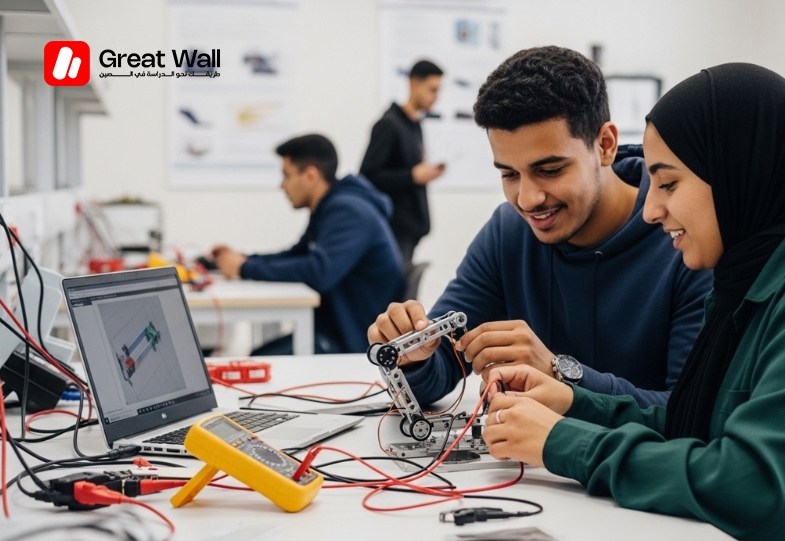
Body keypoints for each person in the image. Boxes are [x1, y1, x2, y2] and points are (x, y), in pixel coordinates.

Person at [482, 63, 785, 540]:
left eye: (669, 184)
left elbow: (757, 490)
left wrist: (562, 442)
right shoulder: (756, 277)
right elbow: (700, 422)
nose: (651, 210)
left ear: (739, 174)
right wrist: (573, 403)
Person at [367, 46, 712, 408]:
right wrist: (412, 357)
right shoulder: (508, 232)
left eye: (550, 170)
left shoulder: (685, 238)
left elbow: (689, 412)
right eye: (509, 174)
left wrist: (558, 373)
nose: (528, 199)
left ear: (605, 145)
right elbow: (437, 374)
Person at [210, 134, 404, 354]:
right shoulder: (331, 207)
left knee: (257, 360)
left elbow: (319, 272)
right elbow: (297, 254)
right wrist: (242, 260)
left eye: (286, 176)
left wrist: (243, 268)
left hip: (353, 341)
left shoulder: (350, 211)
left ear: (311, 176)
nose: (281, 185)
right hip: (335, 329)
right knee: (257, 357)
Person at [360, 59, 446, 269]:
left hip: (410, 229)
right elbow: (368, 177)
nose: (436, 96)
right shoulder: (389, 125)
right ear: (414, 84)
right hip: (393, 230)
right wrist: (412, 176)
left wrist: (424, 173)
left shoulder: (414, 124)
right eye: (432, 89)